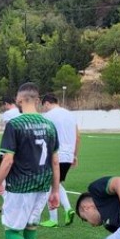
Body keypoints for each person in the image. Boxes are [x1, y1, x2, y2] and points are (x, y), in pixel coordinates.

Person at [0, 83, 61, 239]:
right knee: (30, 230)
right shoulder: (49, 125)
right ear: (37, 100)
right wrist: (55, 190)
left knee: (11, 233)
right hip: (42, 185)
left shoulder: (15, 124)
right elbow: (55, 161)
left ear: (19, 101)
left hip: (21, 186)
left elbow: (8, 160)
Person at [39, 93, 80, 228]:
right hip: (68, 155)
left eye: (43, 106)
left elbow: (44, 136)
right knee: (56, 183)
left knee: (49, 185)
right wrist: (74, 155)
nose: (44, 109)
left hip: (55, 155)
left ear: (46, 103)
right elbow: (77, 137)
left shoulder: (48, 116)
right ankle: (68, 209)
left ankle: (54, 219)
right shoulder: (71, 115)